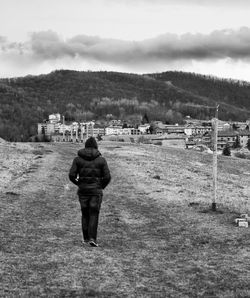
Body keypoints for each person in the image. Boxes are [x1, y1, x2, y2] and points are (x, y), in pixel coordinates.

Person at [69, 136, 111, 247]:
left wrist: (79, 184)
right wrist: (100, 186)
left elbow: (71, 175)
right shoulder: (101, 160)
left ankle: (86, 238)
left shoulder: (77, 159)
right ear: (96, 146)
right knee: (94, 214)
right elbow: (107, 177)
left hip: (83, 191)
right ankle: (93, 238)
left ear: (85, 146)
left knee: (85, 214)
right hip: (96, 191)